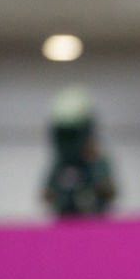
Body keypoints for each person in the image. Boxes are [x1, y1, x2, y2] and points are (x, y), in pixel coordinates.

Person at [41, 86, 117, 217]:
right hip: (65, 223)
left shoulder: (97, 161)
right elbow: (46, 195)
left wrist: (94, 164)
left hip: (94, 223)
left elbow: (110, 193)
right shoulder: (60, 162)